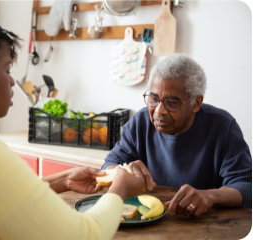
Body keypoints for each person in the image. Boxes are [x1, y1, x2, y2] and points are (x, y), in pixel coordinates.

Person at [0, 7, 146, 240]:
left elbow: (2, 198)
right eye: (7, 69)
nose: (12, 81)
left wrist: (63, 180)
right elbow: (84, 235)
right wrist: (121, 188)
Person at [102, 53, 252, 218]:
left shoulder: (223, 127)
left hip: (205, 224)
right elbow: (109, 165)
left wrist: (210, 196)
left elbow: (246, 185)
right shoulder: (140, 122)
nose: (159, 111)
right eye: (154, 99)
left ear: (196, 103)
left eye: (172, 103)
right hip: (149, 221)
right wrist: (123, 172)